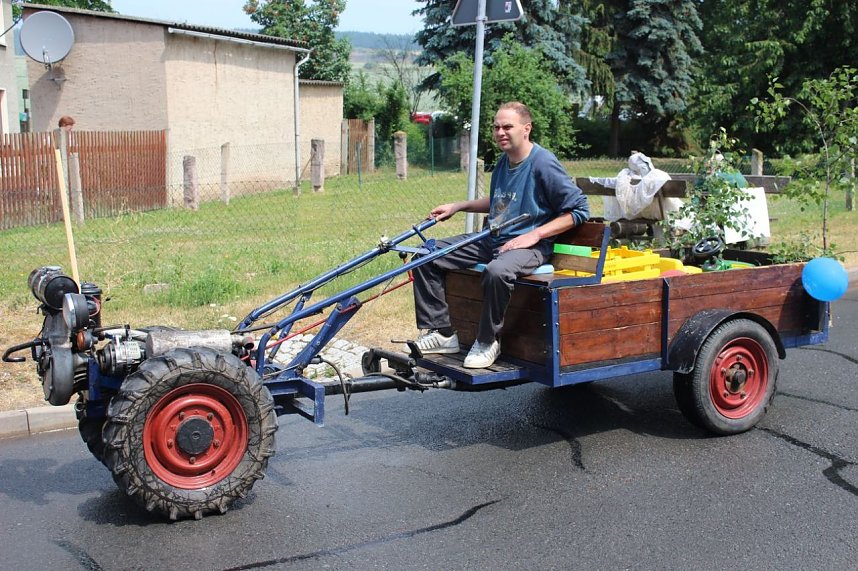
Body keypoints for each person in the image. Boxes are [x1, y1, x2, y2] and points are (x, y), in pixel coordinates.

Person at [411, 101, 590, 369]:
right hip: (493, 240)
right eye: (496, 127)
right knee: (425, 255)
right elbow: (498, 202)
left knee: (496, 271)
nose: (500, 132)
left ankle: (487, 341)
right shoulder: (504, 162)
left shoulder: (542, 163)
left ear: (526, 129)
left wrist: (535, 235)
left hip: (530, 248)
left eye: (507, 126)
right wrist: (459, 206)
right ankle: (443, 333)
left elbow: (579, 209)